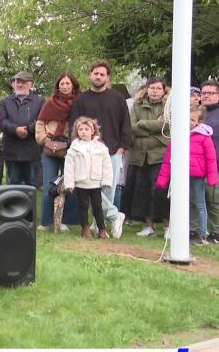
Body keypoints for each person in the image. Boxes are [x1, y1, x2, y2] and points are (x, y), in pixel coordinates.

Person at [70, 60, 129, 238]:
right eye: (96, 73)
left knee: (107, 191)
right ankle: (114, 215)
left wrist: (122, 149)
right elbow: (74, 124)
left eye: (102, 74)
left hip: (112, 151)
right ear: (90, 75)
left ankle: (99, 225)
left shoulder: (117, 98)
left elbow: (126, 124)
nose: (98, 77)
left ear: (107, 77)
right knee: (89, 188)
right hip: (86, 153)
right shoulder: (81, 99)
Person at [157, 105, 217, 246]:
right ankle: (190, 230)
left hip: (197, 175)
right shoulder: (178, 136)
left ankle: (201, 233)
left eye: (192, 119)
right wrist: (163, 179)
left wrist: (213, 177)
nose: (188, 122)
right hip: (181, 175)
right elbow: (168, 160)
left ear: (199, 122)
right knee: (186, 203)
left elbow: (211, 159)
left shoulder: (204, 137)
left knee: (199, 203)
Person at [35, 72, 81, 231]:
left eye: (68, 84)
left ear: (73, 86)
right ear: (58, 86)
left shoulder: (79, 103)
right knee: (50, 182)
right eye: (62, 84)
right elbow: (40, 124)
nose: (65, 86)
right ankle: (47, 221)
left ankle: (68, 221)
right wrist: (44, 140)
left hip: (72, 149)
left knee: (71, 184)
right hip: (51, 149)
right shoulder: (50, 103)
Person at [125, 77, 170, 238]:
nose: (155, 91)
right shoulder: (137, 104)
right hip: (139, 155)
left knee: (160, 191)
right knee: (142, 191)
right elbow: (131, 127)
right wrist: (151, 126)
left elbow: (166, 126)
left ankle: (168, 227)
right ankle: (149, 226)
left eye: (158, 88)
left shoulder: (168, 105)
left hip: (159, 156)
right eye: (152, 88)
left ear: (164, 90)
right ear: (147, 89)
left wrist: (142, 123)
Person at [64, 117, 113, 239]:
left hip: (95, 182)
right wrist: (69, 183)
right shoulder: (74, 148)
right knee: (83, 206)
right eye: (80, 129)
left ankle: (102, 229)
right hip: (81, 182)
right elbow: (69, 167)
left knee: (98, 206)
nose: (83, 131)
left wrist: (107, 180)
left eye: (87, 129)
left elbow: (107, 165)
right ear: (77, 131)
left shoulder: (100, 147)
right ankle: (85, 228)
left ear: (93, 131)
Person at [0, 71, 45, 186]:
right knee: (13, 187)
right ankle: (12, 205)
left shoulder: (40, 101)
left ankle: (30, 205)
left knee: (31, 186)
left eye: (23, 82)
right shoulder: (6, 101)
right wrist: (15, 129)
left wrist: (29, 129)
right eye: (17, 82)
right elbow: (1, 121)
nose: (20, 85)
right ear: (13, 84)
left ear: (31, 84)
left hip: (31, 150)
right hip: (12, 150)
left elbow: (43, 121)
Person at [200, 80, 219, 242]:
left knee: (214, 201)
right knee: (201, 199)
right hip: (199, 165)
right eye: (204, 92)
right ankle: (201, 230)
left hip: (215, 165)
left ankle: (216, 233)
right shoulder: (198, 113)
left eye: (210, 93)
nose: (206, 95)